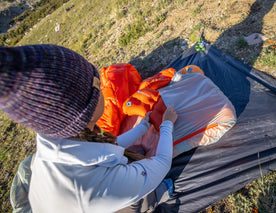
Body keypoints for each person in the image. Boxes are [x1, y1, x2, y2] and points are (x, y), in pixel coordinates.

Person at [0, 44, 178, 213]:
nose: (103, 89)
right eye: (98, 86)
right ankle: (157, 197)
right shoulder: (90, 189)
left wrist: (143, 127)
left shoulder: (61, 133)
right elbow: (162, 163)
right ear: (87, 109)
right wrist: (167, 124)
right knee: (148, 194)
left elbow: (110, 145)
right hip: (99, 200)